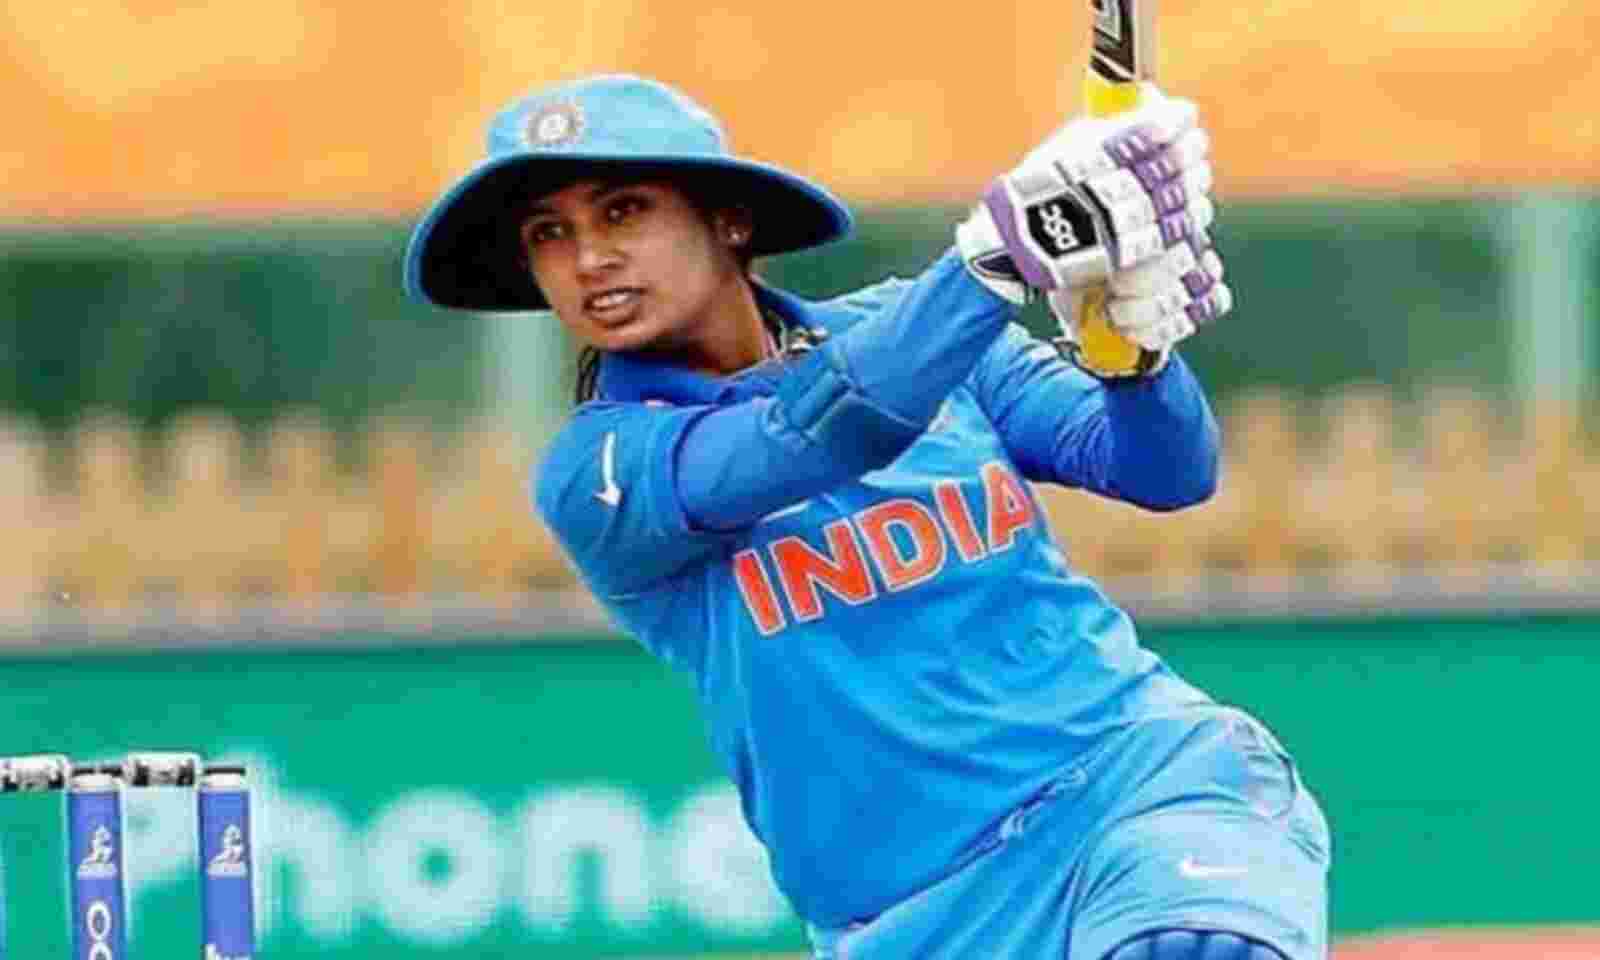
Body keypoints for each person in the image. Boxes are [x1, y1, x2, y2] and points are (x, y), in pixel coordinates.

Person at [405, 73, 1330, 960]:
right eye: (550, 233)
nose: (589, 258)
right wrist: (999, 257)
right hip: (915, 920)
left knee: (1193, 948)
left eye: (623, 211)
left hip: (1132, 791)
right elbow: (811, 437)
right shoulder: (600, 471)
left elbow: (1165, 470)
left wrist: (1134, 353)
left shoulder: (916, 332)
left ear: (729, 220)